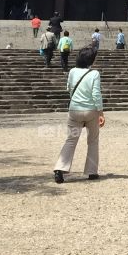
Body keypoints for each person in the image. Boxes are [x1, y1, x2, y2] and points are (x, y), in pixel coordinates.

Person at [53, 47, 105, 183]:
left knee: (71, 139)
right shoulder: (94, 74)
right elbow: (96, 94)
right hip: (91, 111)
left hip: (75, 110)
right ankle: (92, 171)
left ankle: (60, 168)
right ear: (91, 60)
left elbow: (69, 88)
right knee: (93, 141)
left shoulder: (72, 71)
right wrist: (101, 111)